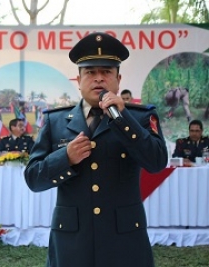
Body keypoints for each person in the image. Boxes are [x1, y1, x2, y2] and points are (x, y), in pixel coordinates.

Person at [24, 32, 168, 267]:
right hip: (72, 240)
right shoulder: (56, 121)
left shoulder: (140, 118)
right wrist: (66, 157)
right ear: (78, 80)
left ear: (118, 79)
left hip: (123, 240)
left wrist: (124, 119)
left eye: (106, 72)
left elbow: (157, 162)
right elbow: (33, 179)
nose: (98, 79)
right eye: (90, 72)